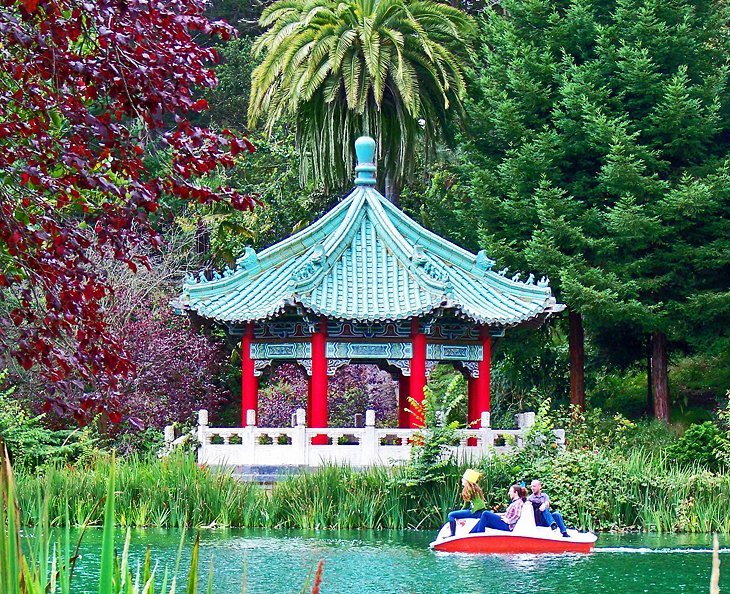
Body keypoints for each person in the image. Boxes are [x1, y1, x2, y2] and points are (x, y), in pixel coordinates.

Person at [446, 469, 486, 537]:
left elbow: (480, 504)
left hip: (477, 512)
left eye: (463, 479)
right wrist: (460, 515)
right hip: (479, 512)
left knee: (451, 515)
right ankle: (452, 533)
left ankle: (452, 534)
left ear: (467, 481)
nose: (462, 480)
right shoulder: (474, 489)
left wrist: (473, 511)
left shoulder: (469, 489)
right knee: (455, 514)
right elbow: (466, 505)